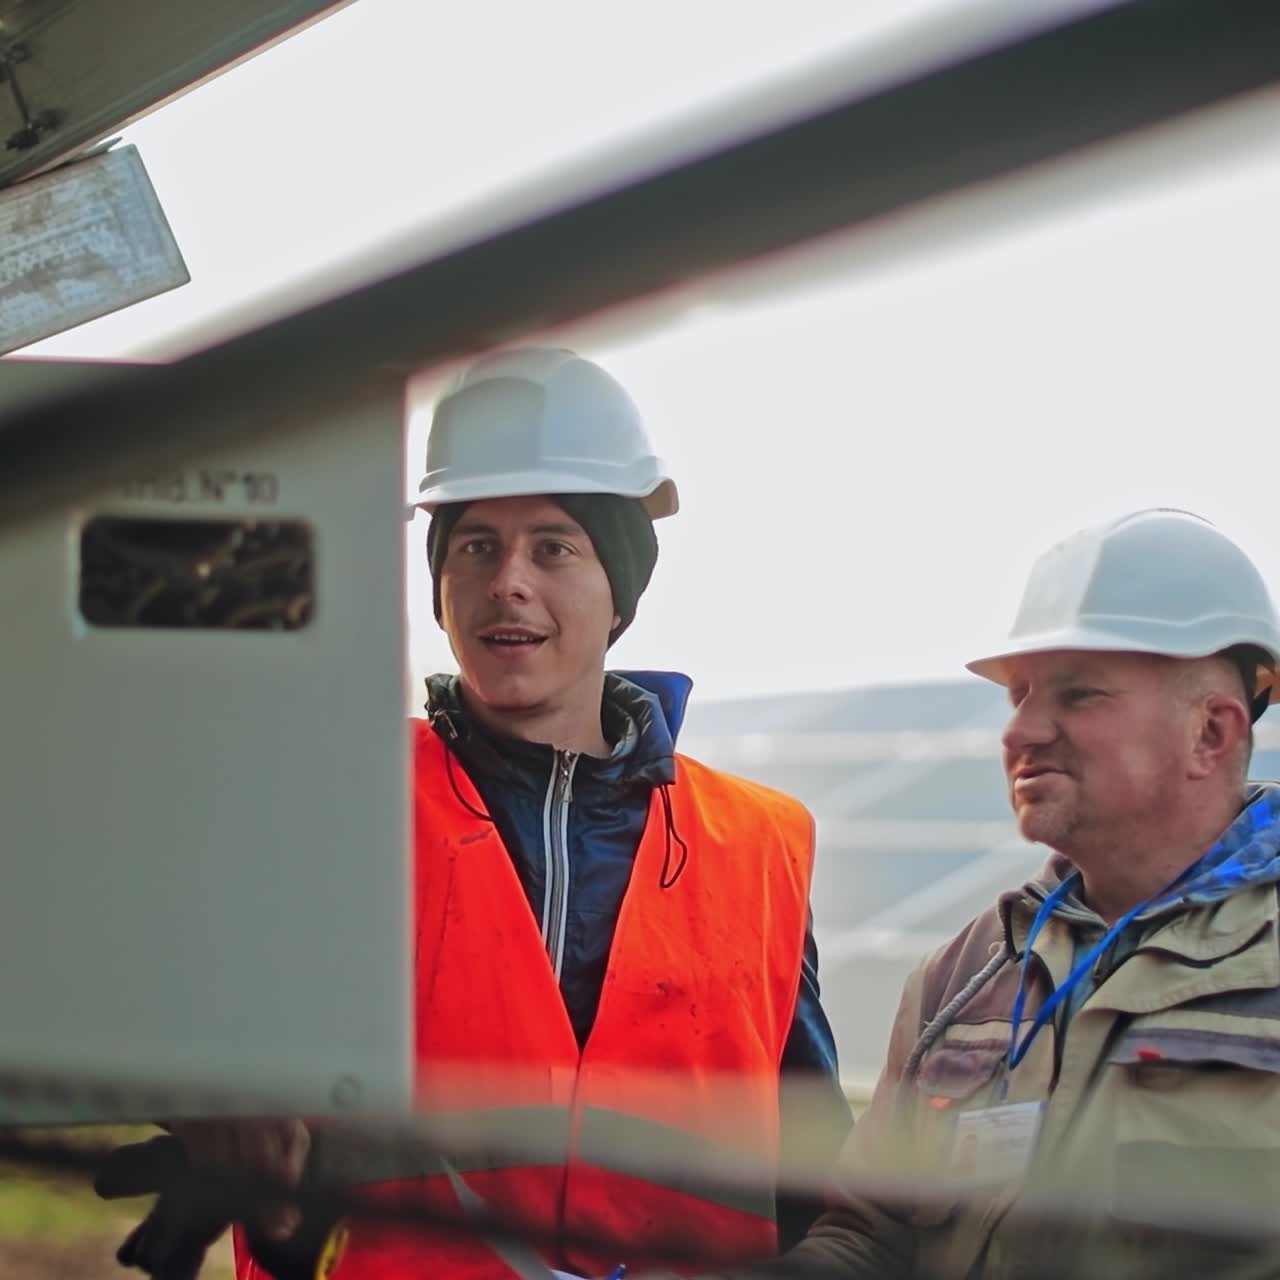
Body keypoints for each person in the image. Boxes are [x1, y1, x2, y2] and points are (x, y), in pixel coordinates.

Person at [100, 346, 851, 1280]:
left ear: (620, 583)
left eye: (554, 546)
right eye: (475, 545)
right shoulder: (322, 798)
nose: (509, 583)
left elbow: (815, 1179)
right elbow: (155, 995)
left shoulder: (763, 844)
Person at [686, 508, 1280, 1280]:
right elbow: (874, 1235)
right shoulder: (962, 977)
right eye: (1020, 695)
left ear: (1212, 732)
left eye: (1080, 695)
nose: (1022, 730)